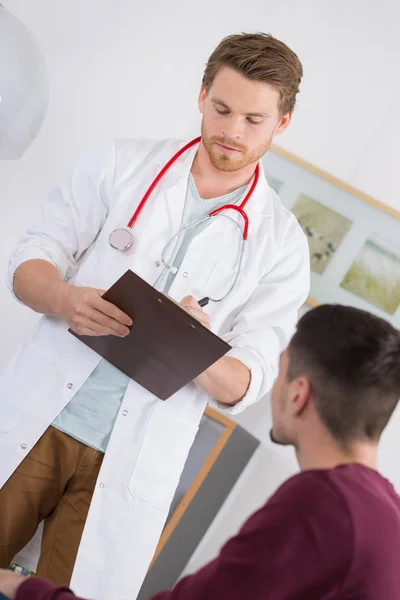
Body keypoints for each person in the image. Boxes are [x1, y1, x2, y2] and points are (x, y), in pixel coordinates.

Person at [0, 33, 310, 600]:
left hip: (127, 464)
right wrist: (67, 298)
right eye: (221, 109)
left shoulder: (281, 245)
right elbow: (28, 264)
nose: (231, 132)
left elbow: (249, 380)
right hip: (35, 420)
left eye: (253, 120)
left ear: (282, 123)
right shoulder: (122, 164)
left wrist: (196, 345)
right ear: (200, 95)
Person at [1, 303, 400, 600]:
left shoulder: (320, 503)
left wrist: (24, 588)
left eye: (281, 371)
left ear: (298, 394)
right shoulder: (384, 510)